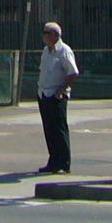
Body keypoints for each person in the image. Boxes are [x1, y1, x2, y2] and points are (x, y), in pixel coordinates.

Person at [35, 21, 78, 174]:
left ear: (53, 35)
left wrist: (61, 91)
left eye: (45, 33)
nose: (43, 36)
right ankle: (53, 161)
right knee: (49, 129)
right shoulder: (46, 51)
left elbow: (72, 73)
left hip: (56, 95)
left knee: (59, 129)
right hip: (44, 93)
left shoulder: (64, 51)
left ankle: (64, 163)